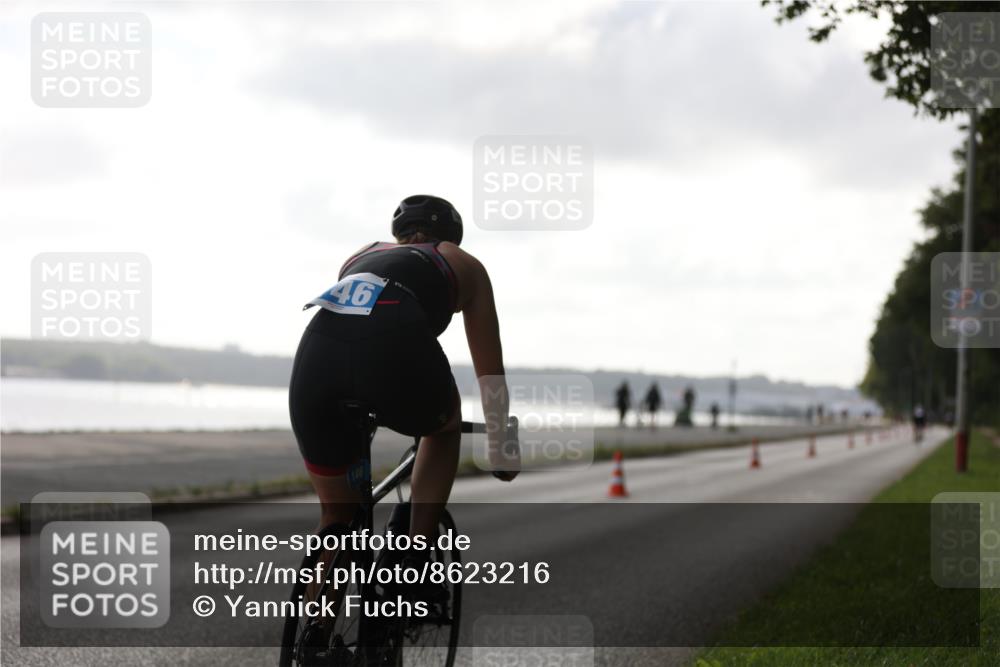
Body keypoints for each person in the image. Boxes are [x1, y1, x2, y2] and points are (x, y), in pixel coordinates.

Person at [288, 195, 519, 566]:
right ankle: (414, 555)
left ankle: (318, 602)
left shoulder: (361, 254)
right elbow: (489, 371)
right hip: (393, 343)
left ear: (398, 234)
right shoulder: (463, 263)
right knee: (444, 427)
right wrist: (501, 445)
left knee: (336, 516)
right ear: (452, 237)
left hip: (315, 355)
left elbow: (354, 329)